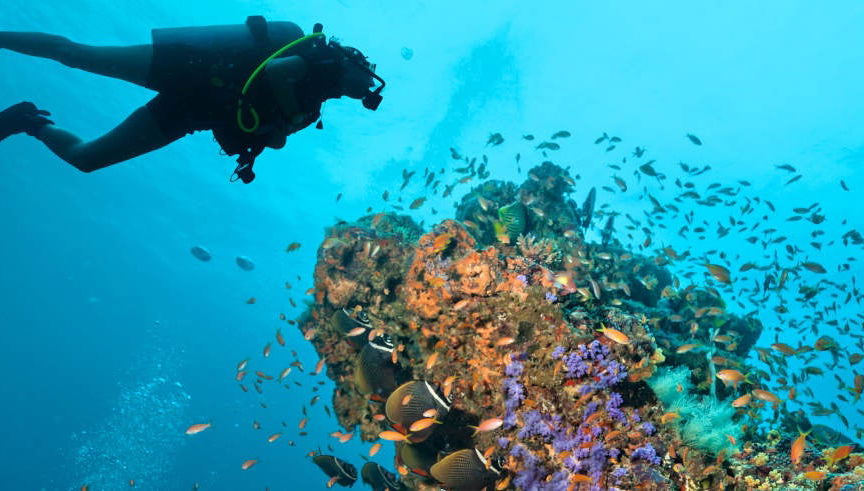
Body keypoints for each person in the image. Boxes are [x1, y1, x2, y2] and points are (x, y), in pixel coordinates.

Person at [0, 16, 385, 183]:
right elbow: (276, 70)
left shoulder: (312, 107)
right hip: (192, 67)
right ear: (356, 65)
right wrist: (284, 116)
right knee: (80, 55)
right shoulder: (325, 59)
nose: (367, 91)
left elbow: (275, 138)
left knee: (88, 159)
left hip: (194, 112)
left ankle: (29, 122)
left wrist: (280, 126)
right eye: (368, 80)